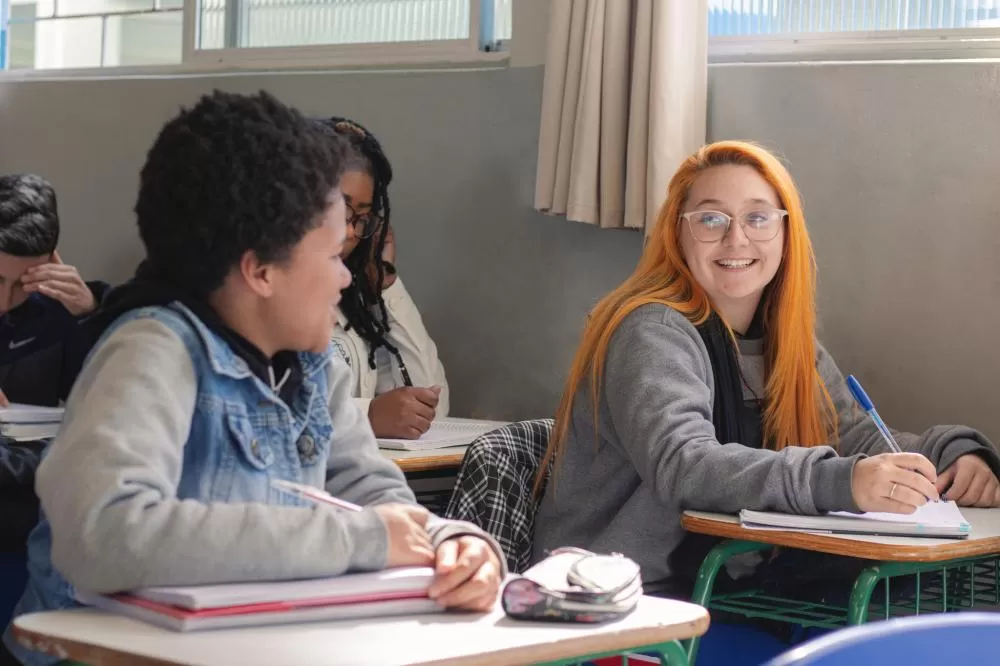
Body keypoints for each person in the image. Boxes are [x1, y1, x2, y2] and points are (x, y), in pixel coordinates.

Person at [1, 91, 502, 666]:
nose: (345, 278)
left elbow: (371, 491)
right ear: (260, 271)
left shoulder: (311, 364)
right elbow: (105, 537)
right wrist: (365, 541)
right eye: (330, 255)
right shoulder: (154, 349)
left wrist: (446, 544)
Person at [531, 140, 1000, 599]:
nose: (737, 239)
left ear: (785, 232)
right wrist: (842, 481)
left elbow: (851, 433)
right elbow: (683, 463)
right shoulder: (651, 329)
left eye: (758, 218)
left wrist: (953, 457)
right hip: (619, 604)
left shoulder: (783, 341)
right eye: (711, 219)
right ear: (677, 233)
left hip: (728, 591)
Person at [0, 174, 109, 617]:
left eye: (21, 282)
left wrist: (91, 316)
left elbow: (107, 416)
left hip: (31, 525)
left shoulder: (57, 312)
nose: (5, 300)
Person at [318, 118, 449, 440]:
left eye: (361, 218)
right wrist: (367, 416)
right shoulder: (259, 301)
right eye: (341, 210)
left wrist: (386, 288)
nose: (350, 232)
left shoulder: (352, 310)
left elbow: (431, 410)